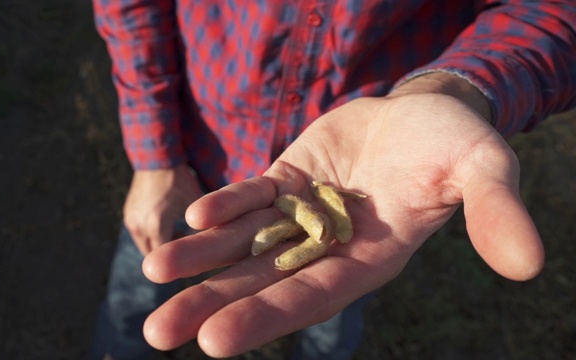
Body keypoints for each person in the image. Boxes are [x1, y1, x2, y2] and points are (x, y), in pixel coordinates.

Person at [88, 1, 576, 359]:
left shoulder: (350, 214)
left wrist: (453, 89)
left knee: (331, 310)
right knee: (143, 284)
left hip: (371, 164)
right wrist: (154, 152)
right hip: (196, 154)